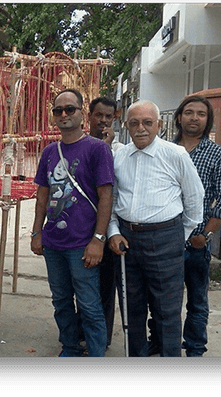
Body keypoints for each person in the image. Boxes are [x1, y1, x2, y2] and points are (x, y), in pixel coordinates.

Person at [107, 100, 204, 357]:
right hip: (126, 241)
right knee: (131, 309)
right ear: (126, 125)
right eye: (135, 123)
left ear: (159, 125)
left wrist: (179, 236)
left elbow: (194, 199)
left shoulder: (175, 154)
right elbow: (112, 200)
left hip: (166, 238)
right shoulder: (119, 157)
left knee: (167, 311)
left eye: (148, 123)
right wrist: (113, 231)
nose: (141, 129)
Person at [147, 95, 221, 357]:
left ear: (208, 120)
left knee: (197, 300)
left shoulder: (219, 156)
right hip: (162, 240)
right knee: (160, 299)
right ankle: (159, 341)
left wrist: (205, 235)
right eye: (188, 112)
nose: (194, 118)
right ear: (178, 117)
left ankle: (195, 348)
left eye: (200, 114)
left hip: (195, 243)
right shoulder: (161, 149)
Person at [30, 88, 114, 357]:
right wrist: (36, 232)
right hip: (54, 242)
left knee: (89, 303)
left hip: (82, 243)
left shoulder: (97, 149)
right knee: (61, 301)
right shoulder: (49, 152)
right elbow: (42, 195)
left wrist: (98, 240)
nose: (64, 114)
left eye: (70, 109)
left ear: (82, 113)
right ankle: (69, 347)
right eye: (58, 110)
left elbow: (106, 197)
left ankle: (97, 352)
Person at [74, 96, 125, 350]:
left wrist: (106, 149)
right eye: (98, 115)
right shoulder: (77, 145)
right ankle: (79, 333)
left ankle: (99, 339)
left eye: (108, 116)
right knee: (80, 285)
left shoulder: (121, 151)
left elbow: (114, 190)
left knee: (105, 286)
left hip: (107, 229)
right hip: (79, 226)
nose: (103, 121)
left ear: (114, 118)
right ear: (89, 116)